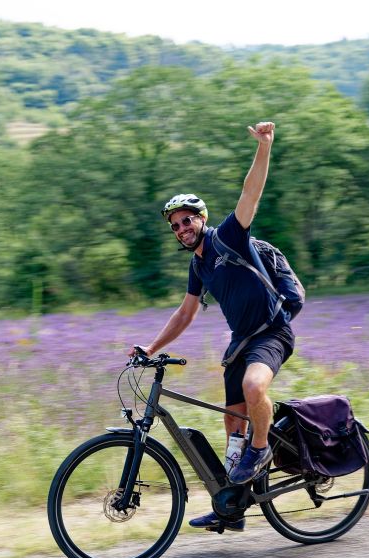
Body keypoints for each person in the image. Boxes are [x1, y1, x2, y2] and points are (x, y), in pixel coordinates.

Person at [128, 121, 294, 532]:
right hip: (240, 345)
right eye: (176, 226)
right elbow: (184, 314)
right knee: (231, 424)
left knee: (256, 389)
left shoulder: (229, 239)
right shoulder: (198, 265)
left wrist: (265, 146)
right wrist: (149, 348)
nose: (182, 229)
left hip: (271, 333)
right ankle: (232, 508)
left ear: (201, 218)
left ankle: (262, 451)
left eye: (187, 221)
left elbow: (249, 193)